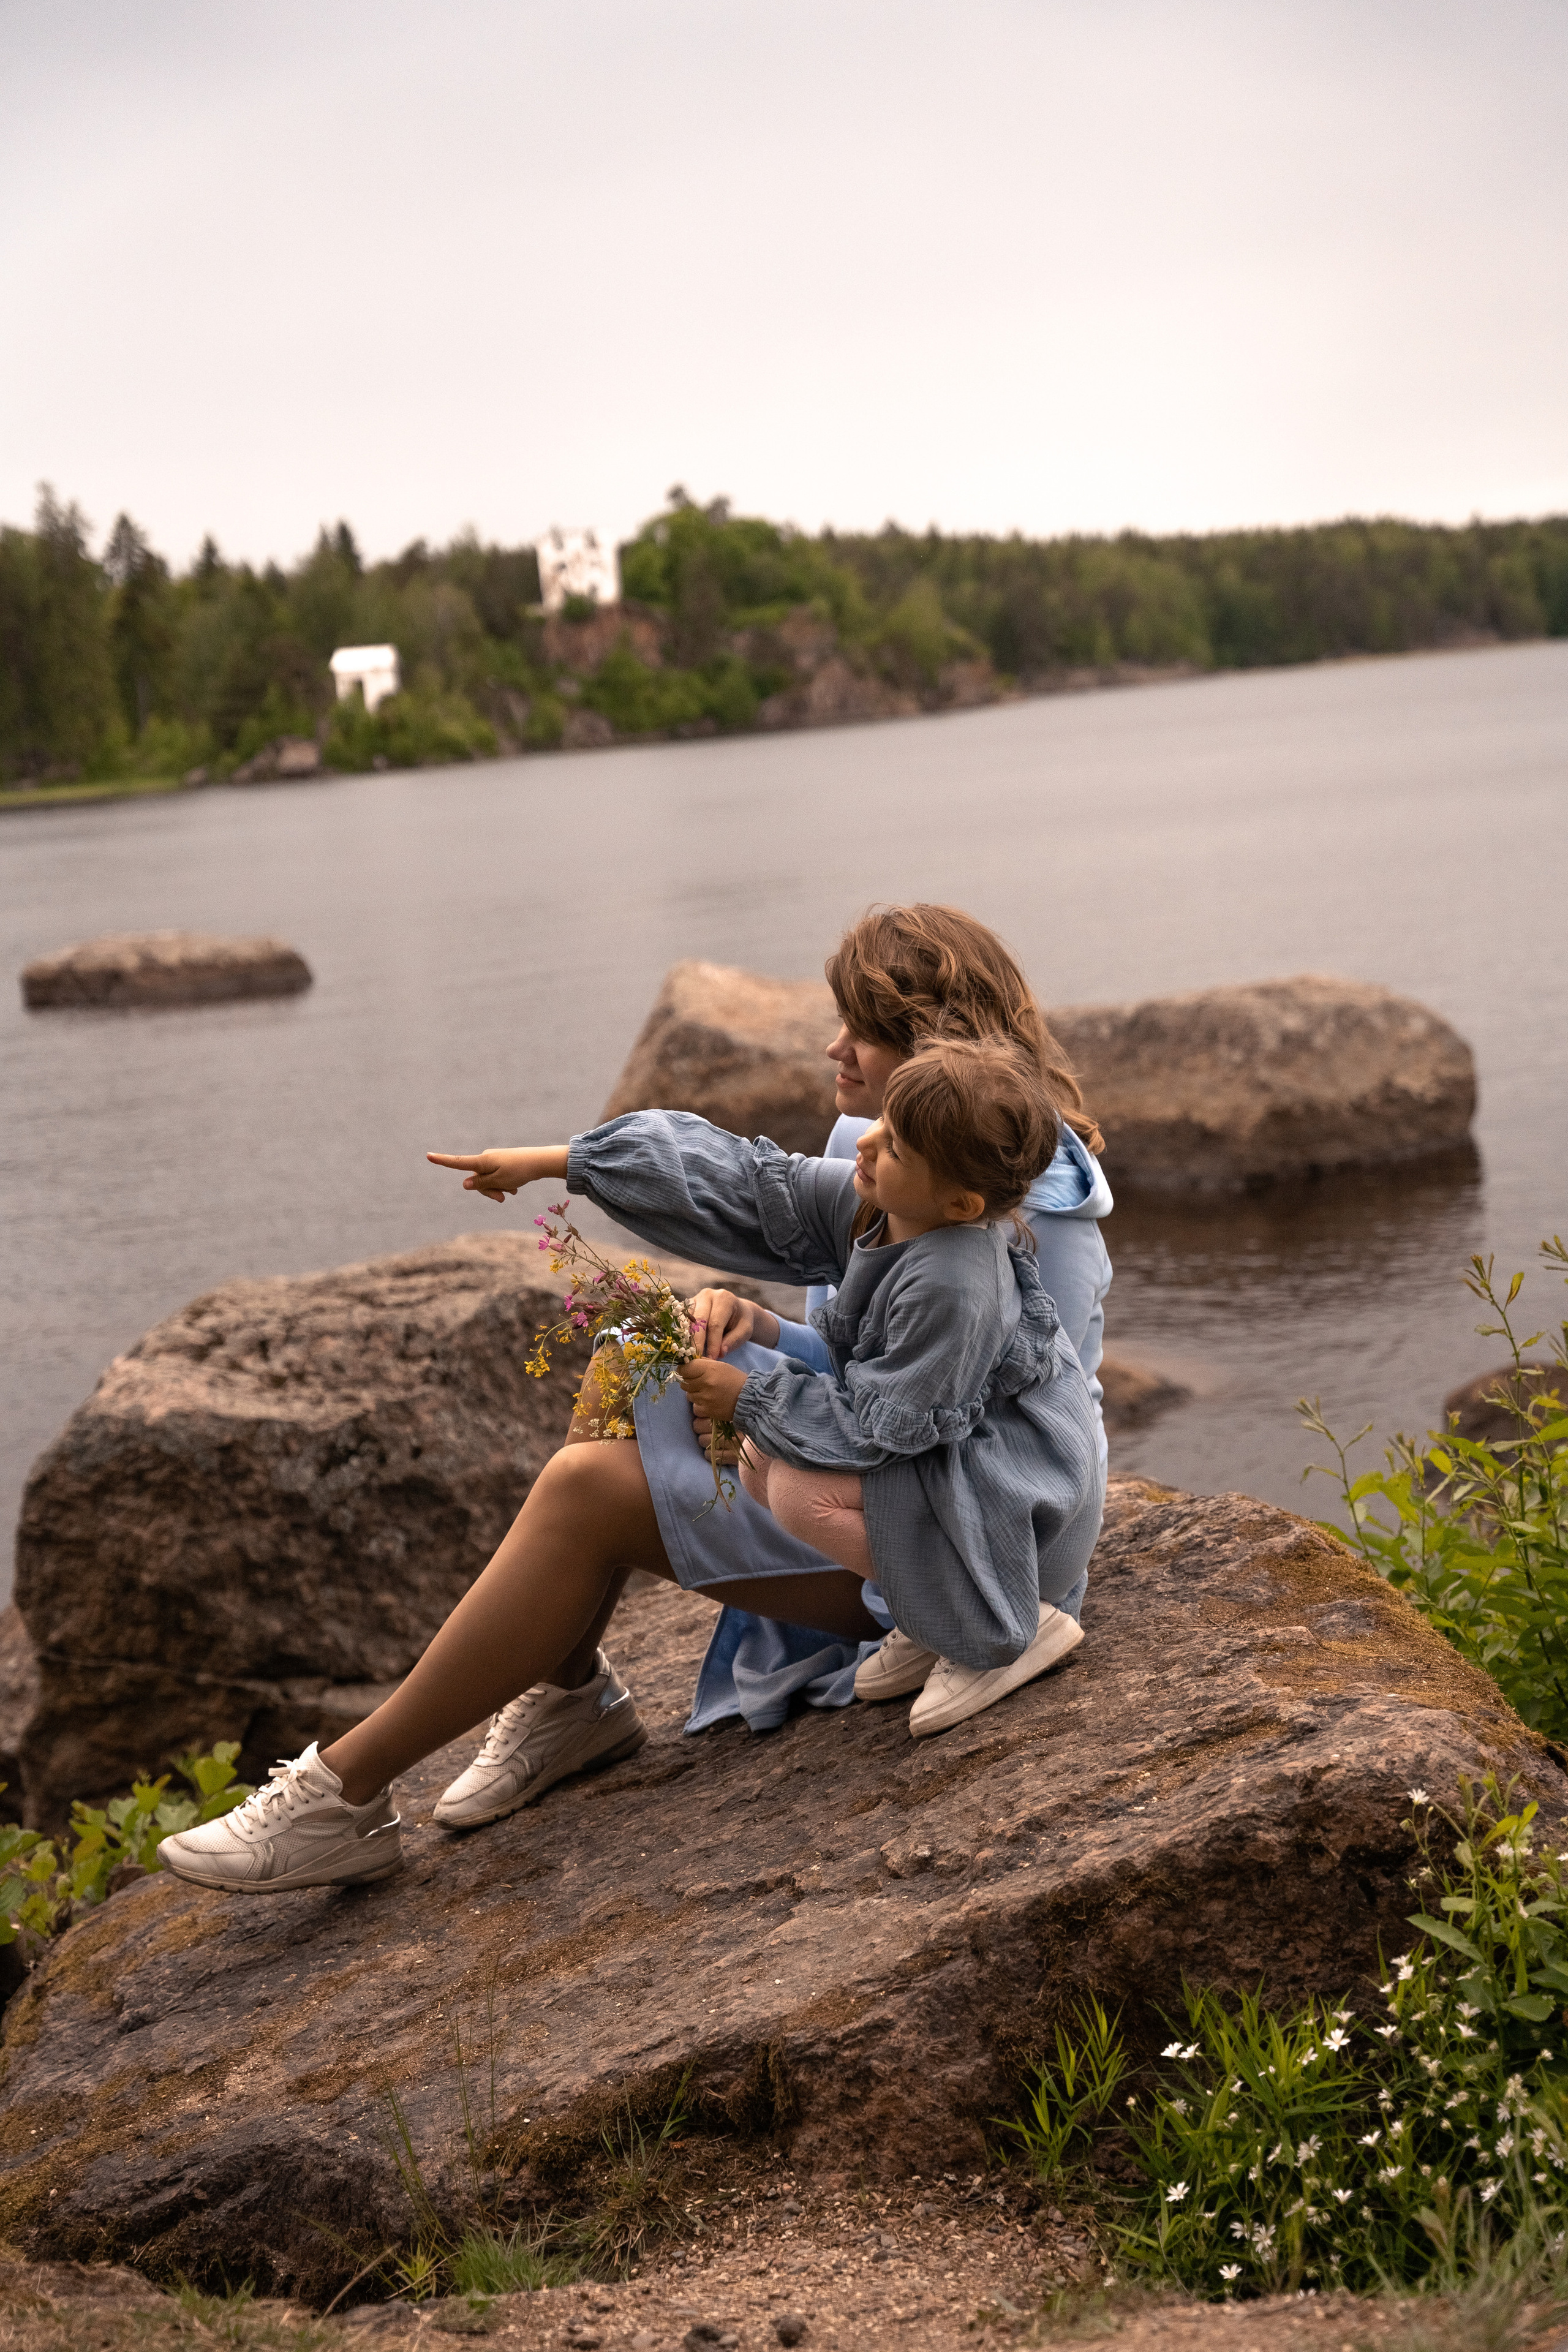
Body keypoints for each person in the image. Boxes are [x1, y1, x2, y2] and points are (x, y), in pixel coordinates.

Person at [156, 905, 1110, 1898]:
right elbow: (765, 1203)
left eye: (861, 1030)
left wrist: (754, 1394)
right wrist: (571, 1168)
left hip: (964, 1537)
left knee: (585, 1493)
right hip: (875, 1470)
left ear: (933, 1060)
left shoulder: (1016, 1227)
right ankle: (567, 1698)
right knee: (634, 1357)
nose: (836, 1047)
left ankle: (344, 1795)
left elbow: (958, 1429)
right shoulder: (903, 1159)